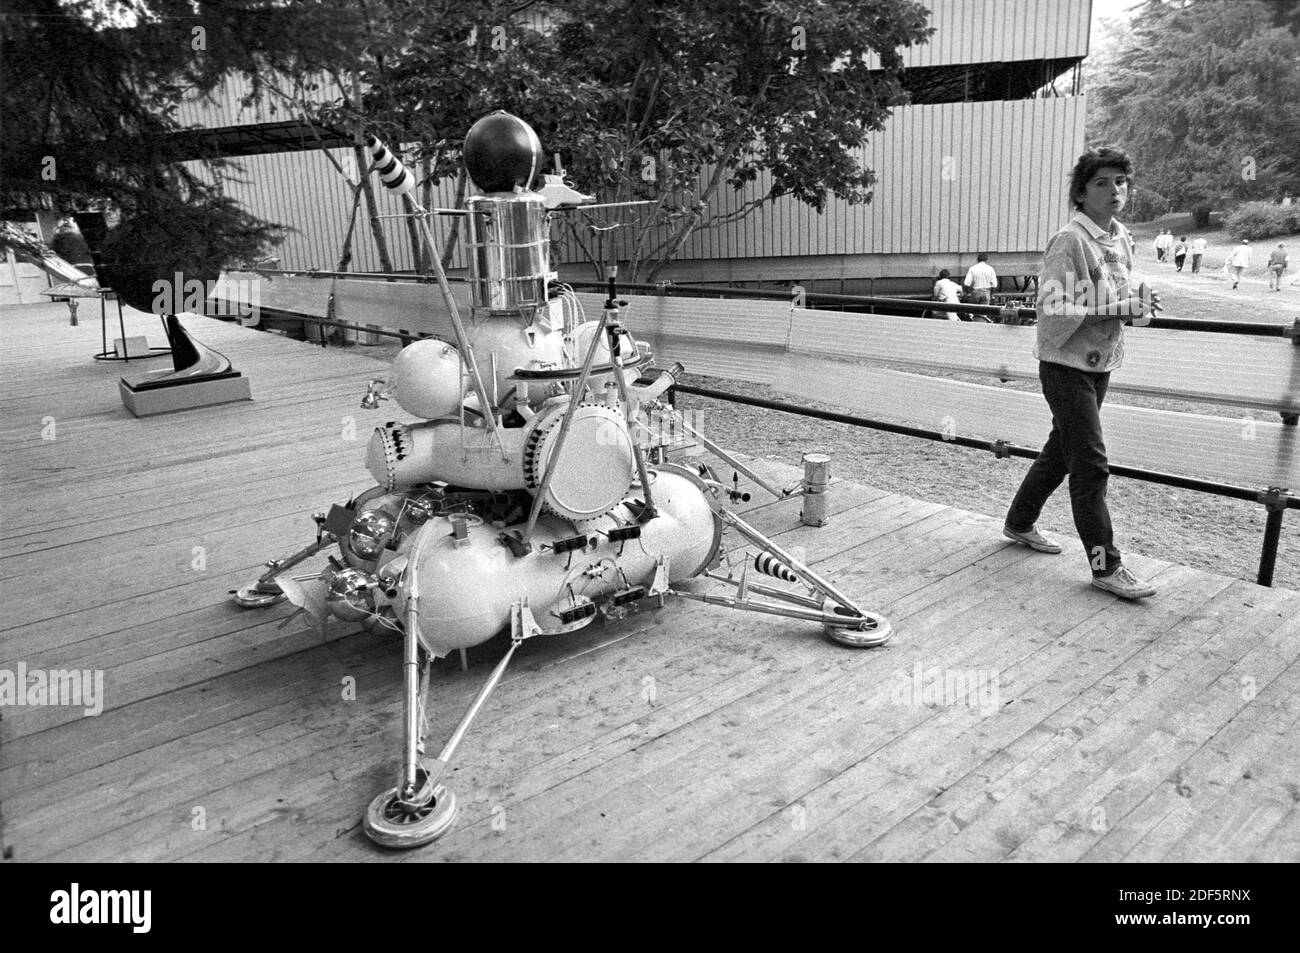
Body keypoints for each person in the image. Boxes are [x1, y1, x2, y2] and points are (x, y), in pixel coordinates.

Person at [1002, 145, 1161, 600]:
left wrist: (1138, 308)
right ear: (1081, 192)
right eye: (1102, 183)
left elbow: (1116, 298)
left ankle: (1018, 522)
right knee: (1090, 464)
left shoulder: (1121, 236)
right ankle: (1105, 566)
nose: (1115, 191)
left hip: (1100, 363)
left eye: (1121, 182)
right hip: (1064, 366)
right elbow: (1052, 310)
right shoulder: (1070, 240)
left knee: (1060, 452)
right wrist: (1118, 308)